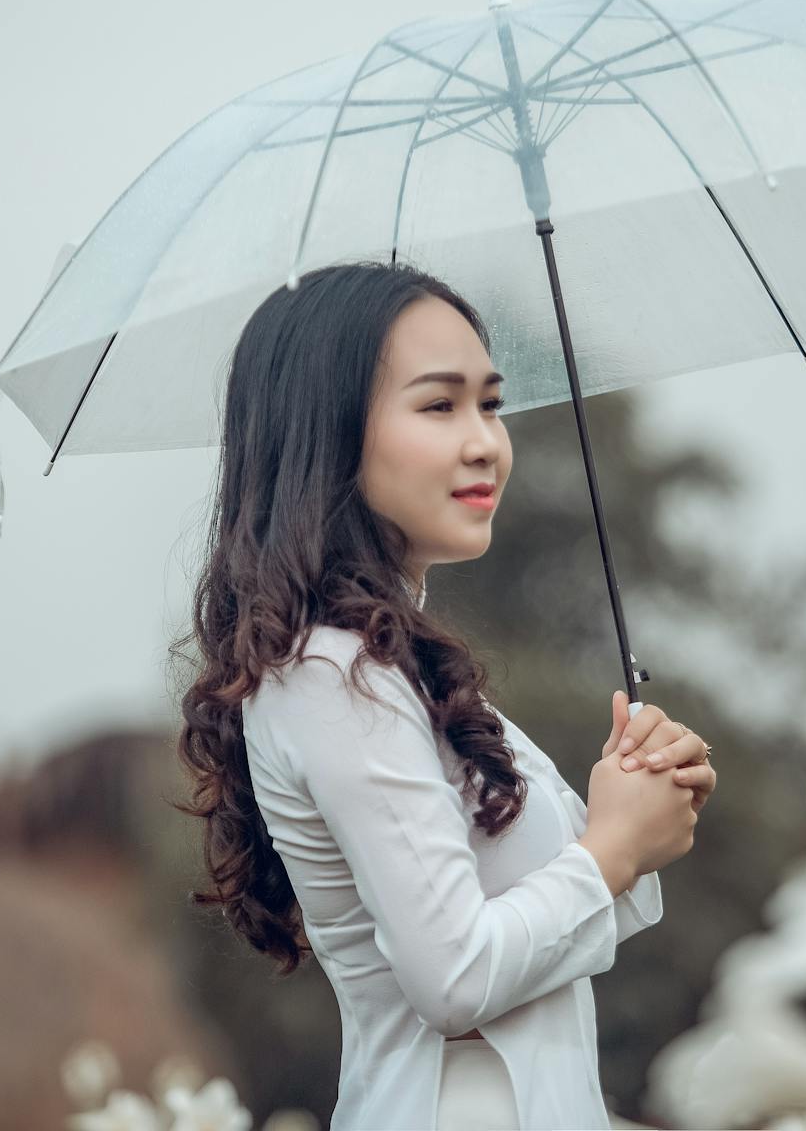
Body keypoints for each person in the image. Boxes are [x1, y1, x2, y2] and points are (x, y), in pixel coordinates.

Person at [172, 260, 715, 1130]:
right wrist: (612, 848)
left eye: (490, 404)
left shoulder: (389, 665)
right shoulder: (331, 674)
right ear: (329, 433)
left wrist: (639, 799)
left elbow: (536, 915)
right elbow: (455, 977)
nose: (485, 443)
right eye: (439, 405)